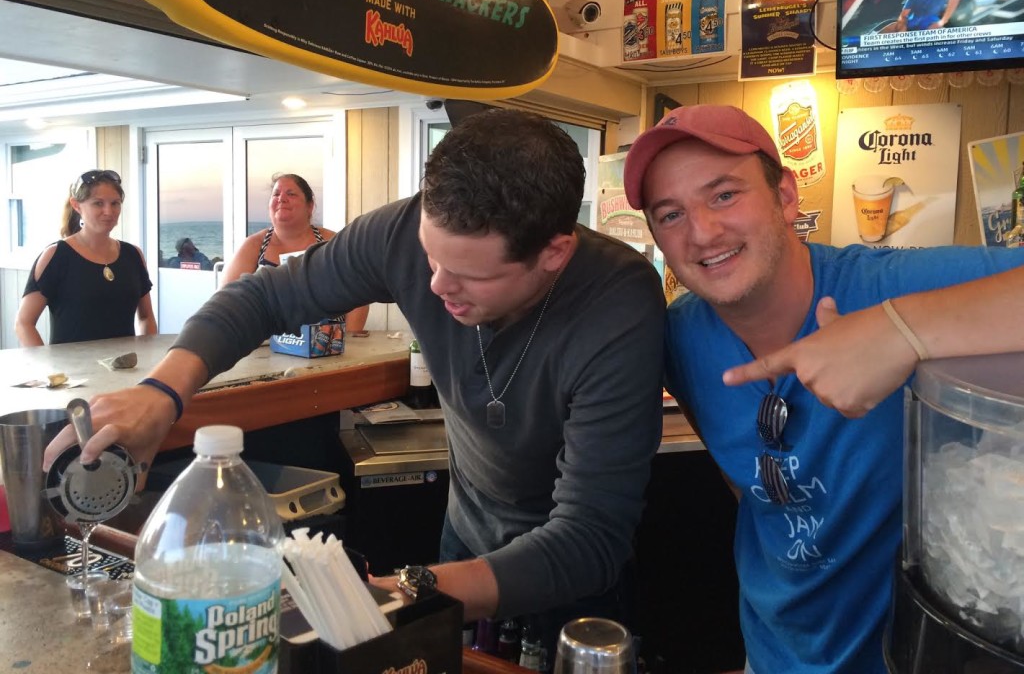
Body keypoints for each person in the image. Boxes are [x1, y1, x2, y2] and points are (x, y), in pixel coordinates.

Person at [44, 109, 666, 657]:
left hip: (569, 588)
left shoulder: (618, 303)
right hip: (462, 540)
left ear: (554, 253)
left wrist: (400, 591)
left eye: (470, 276)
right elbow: (262, 298)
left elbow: (590, 535)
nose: (434, 287)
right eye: (431, 258)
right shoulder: (401, 235)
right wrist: (163, 392)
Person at [622, 104, 1024, 674]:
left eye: (724, 195)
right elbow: (748, 488)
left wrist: (900, 331)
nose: (702, 232)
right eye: (670, 214)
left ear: (786, 196)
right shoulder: (677, 339)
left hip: (906, 657)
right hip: (770, 653)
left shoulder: (888, 285)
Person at [15, 169, 158, 346]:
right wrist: (48, 369)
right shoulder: (56, 256)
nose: (109, 211)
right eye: (98, 203)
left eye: (115, 203)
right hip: (72, 372)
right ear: (76, 205)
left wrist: (147, 357)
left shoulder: (133, 255)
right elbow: (24, 323)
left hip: (125, 369)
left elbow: (146, 317)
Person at [220, 172, 369, 334]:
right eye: (276, 194)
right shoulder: (254, 245)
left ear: (309, 206)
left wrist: (350, 342)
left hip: (326, 346)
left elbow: (359, 295)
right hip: (266, 346)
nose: (281, 199)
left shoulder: (331, 242)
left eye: (290, 194)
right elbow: (226, 298)